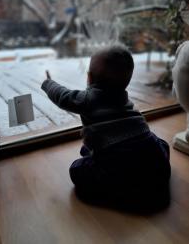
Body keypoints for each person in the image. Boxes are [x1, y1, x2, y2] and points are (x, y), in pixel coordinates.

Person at [41, 45, 171, 209]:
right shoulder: (123, 96)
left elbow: (62, 96)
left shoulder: (87, 99)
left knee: (77, 169)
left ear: (89, 78)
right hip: (150, 151)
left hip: (119, 159)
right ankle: (150, 174)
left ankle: (128, 187)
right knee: (161, 145)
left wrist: (48, 83)